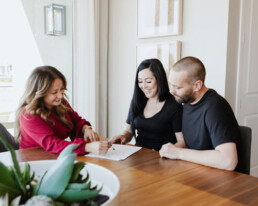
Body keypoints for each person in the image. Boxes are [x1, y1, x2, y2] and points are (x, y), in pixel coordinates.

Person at [159, 56, 240, 171]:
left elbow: (228, 161)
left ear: (197, 85)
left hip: (221, 181)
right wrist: (171, 150)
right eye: (171, 84)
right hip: (197, 172)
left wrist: (179, 153)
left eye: (177, 87)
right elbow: (196, 145)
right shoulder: (188, 101)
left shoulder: (215, 107)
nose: (171, 91)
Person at [15, 66, 109, 155]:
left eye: (62, 89)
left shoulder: (60, 103)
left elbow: (76, 121)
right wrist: (87, 147)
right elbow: (52, 143)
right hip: (34, 161)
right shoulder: (28, 115)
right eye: (54, 92)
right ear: (40, 93)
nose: (60, 96)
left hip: (55, 155)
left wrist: (86, 129)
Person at [110, 58, 184, 151]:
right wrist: (124, 136)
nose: (143, 86)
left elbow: (182, 141)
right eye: (140, 81)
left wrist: (166, 151)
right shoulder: (137, 101)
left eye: (148, 81)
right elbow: (129, 131)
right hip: (138, 155)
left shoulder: (174, 105)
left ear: (159, 79)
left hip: (162, 158)